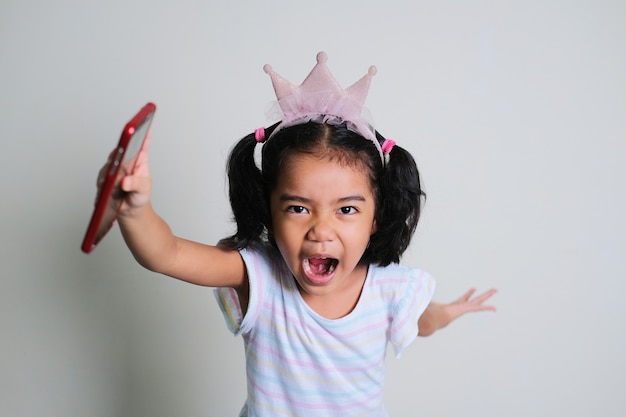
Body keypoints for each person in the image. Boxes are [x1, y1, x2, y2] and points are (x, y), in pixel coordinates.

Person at [111, 52, 496, 416]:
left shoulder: (390, 288)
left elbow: (424, 321)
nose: (321, 230)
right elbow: (167, 255)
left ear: (376, 217)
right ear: (270, 212)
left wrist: (450, 311)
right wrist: (135, 210)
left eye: (346, 209)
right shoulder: (257, 275)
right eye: (298, 208)